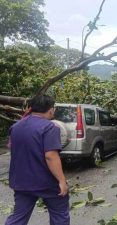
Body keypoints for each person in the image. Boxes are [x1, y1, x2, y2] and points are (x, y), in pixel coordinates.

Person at [5, 95, 70, 225]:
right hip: (45, 182)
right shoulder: (50, 127)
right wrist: (62, 181)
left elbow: (13, 149)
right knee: (59, 215)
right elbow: (50, 156)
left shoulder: (16, 127)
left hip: (21, 182)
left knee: (18, 217)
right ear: (51, 109)